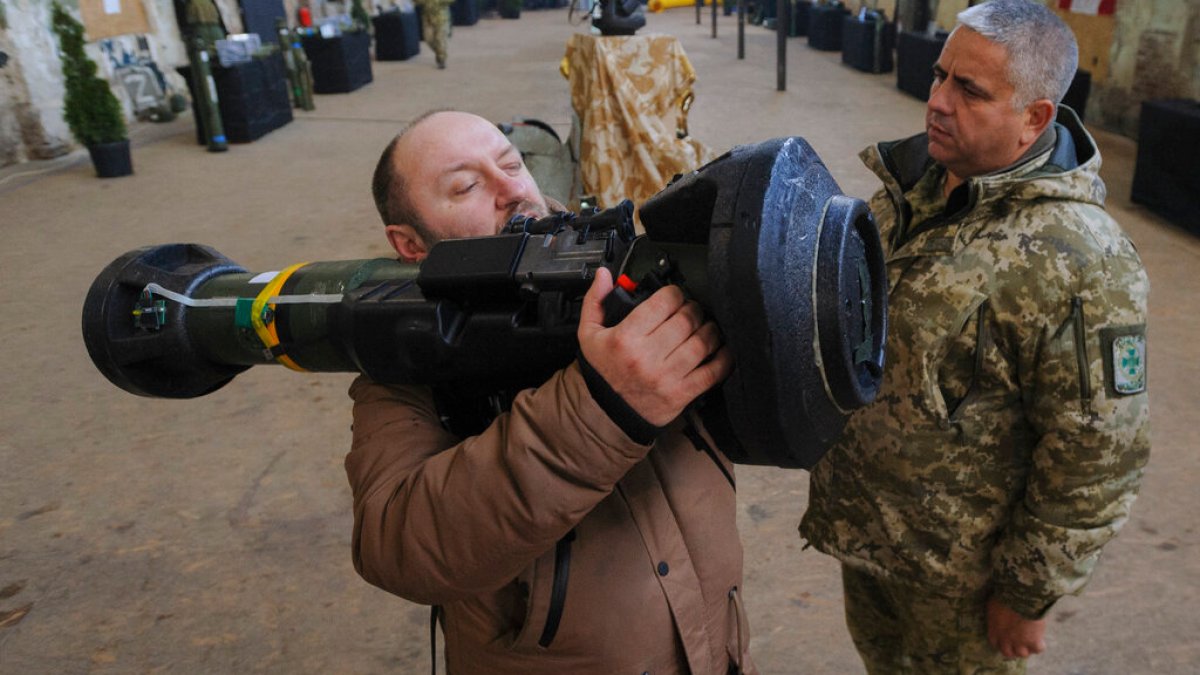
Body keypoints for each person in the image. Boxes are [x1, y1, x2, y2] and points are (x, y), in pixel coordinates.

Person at [799, 1, 1150, 672]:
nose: (936, 101)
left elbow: (1098, 451)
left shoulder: (1080, 258)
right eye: (939, 76)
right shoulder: (906, 192)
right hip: (873, 539)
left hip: (962, 582)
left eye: (969, 90)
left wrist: (1030, 591)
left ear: (1036, 117)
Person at [347, 109, 756, 674]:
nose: (511, 188)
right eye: (466, 185)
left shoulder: (625, 267)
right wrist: (601, 410)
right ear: (410, 243)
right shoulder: (405, 356)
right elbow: (395, 543)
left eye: (512, 163)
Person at [415, 0, 453, 69]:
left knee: (440, 39)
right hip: (427, 18)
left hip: (441, 17)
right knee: (428, 38)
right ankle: (439, 52)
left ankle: (441, 59)